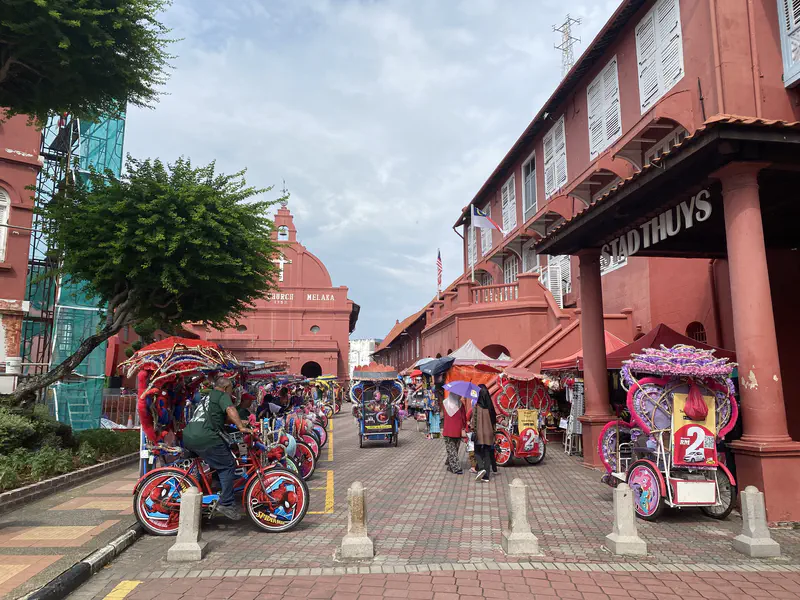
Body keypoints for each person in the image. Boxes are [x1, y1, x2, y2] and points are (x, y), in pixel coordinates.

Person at [182, 375, 253, 520]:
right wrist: (241, 427)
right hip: (205, 437)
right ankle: (226, 503)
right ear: (226, 388)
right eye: (231, 390)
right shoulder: (221, 395)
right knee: (228, 464)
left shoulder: (207, 397)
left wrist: (241, 422)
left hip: (190, 435)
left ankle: (216, 485)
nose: (231, 393)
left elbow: (220, 417)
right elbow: (230, 409)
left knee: (219, 460)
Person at [471, 386, 497, 482]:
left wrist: (472, 428)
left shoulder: (477, 406)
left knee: (477, 451)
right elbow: (494, 420)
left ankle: (481, 468)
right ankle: (486, 476)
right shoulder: (490, 407)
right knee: (487, 453)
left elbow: (474, 421)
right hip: (489, 433)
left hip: (479, 433)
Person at [441, 387, 466, 474]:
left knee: (451, 449)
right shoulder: (460, 405)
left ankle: (452, 465)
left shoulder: (444, 403)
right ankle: (455, 467)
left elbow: (444, 415)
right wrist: (464, 427)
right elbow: (463, 418)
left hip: (447, 430)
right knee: (455, 449)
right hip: (457, 431)